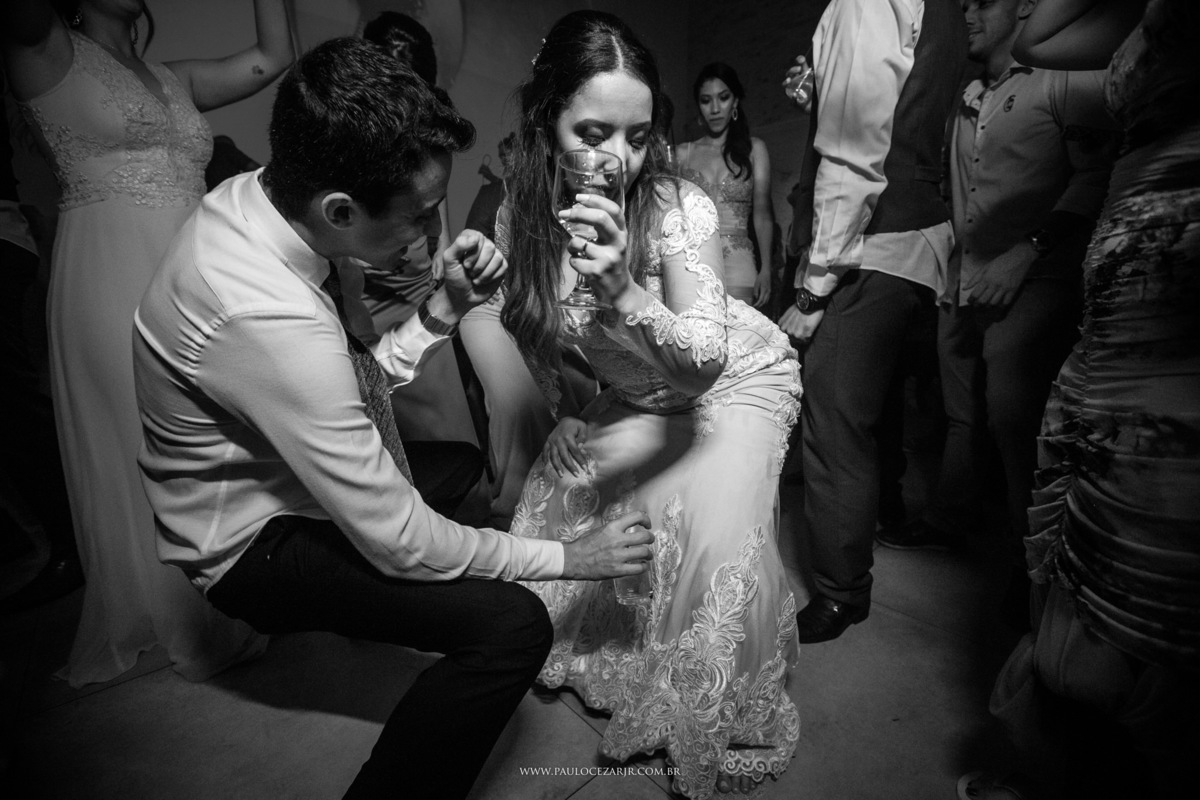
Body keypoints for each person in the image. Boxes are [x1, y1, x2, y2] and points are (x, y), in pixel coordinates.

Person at [131, 37, 653, 800]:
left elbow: (352, 387)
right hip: (250, 546)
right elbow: (403, 540)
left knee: (459, 465)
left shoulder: (258, 200)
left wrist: (443, 309)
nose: (429, 234)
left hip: (285, 475)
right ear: (340, 210)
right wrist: (570, 558)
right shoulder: (266, 315)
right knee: (513, 625)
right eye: (420, 215)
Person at [498, 11, 803, 798]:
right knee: (566, 500)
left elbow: (702, 368)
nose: (618, 160)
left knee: (711, 543)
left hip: (734, 378)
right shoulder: (522, 215)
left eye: (636, 138)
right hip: (637, 388)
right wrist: (568, 407)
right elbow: (533, 324)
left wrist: (622, 289)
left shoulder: (678, 207)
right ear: (547, 122)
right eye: (593, 133)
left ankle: (702, 714)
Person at [1, 0, 293, 686]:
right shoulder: (43, 46)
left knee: (225, 426)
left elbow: (272, 57)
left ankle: (245, 585)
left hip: (194, 266)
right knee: (143, 432)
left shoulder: (172, 76)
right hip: (110, 271)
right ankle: (173, 608)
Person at [959, 1, 1200, 797]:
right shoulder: (1145, 20)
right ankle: (1069, 762)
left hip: (1179, 322)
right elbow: (1042, 36)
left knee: (1159, 569)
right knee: (1082, 535)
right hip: (1114, 330)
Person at [877, 0, 1118, 623]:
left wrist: (1026, 253)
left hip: (1035, 277)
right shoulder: (965, 97)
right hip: (964, 280)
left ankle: (1032, 565)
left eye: (982, 3)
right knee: (960, 414)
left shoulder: (1061, 80)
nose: (968, 15)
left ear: (1026, 8)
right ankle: (951, 520)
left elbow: (1096, 176)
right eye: (963, 5)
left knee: (1019, 421)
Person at [777, 0, 967, 644]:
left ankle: (840, 590)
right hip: (918, 238)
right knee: (874, 414)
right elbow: (900, 106)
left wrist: (813, 289)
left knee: (834, 425)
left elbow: (854, 158)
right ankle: (872, 525)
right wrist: (822, 91)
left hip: (871, 244)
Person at [677, 62, 774, 309]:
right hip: (692, 262)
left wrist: (766, 269)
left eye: (723, 97)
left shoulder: (755, 149)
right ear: (698, 106)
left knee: (741, 331)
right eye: (706, 100)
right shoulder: (682, 154)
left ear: (735, 101)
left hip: (741, 266)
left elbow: (763, 215)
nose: (715, 108)